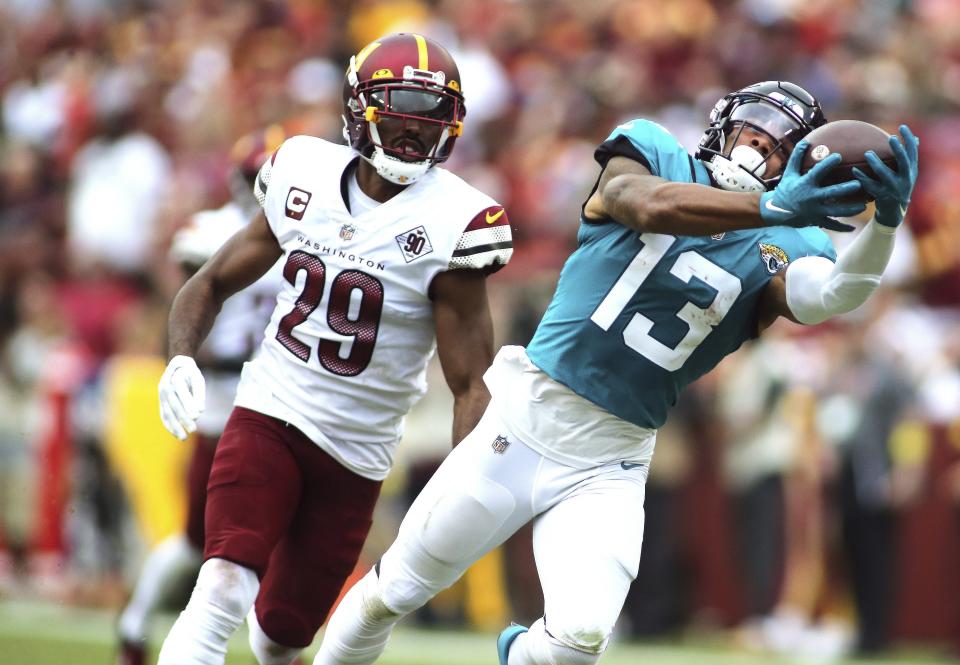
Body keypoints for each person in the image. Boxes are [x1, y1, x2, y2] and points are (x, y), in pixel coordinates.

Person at [312, 81, 919, 665]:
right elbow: (641, 203)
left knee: (577, 641)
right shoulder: (655, 150)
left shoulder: (794, 240)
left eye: (776, 146)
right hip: (526, 417)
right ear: (721, 126)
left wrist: (885, 224)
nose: (758, 148)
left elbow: (835, 295)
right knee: (393, 592)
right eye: (752, 133)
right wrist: (769, 205)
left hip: (614, 457)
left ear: (798, 165)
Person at [154, 32, 513, 665]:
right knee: (221, 586)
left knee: (282, 636)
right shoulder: (303, 170)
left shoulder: (458, 220)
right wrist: (180, 353)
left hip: (357, 451)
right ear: (358, 109)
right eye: (400, 115)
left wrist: (466, 481)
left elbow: (470, 382)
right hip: (269, 411)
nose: (414, 135)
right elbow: (210, 281)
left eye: (429, 119)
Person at [114, 130, 285, 665]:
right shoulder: (210, 232)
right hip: (217, 395)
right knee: (197, 539)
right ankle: (136, 623)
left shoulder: (309, 232)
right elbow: (192, 299)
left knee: (269, 535)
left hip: (276, 393)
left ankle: (276, 644)